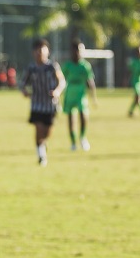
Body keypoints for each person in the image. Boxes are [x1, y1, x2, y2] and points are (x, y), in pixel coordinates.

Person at [20, 38, 67, 166]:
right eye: (37, 49)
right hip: (36, 104)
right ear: (33, 52)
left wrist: (57, 91)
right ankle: (41, 154)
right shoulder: (31, 68)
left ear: (48, 51)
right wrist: (24, 91)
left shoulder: (52, 67)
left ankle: (43, 145)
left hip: (50, 105)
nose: (40, 52)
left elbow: (62, 81)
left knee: (47, 132)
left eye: (42, 49)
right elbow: (22, 83)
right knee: (38, 128)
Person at [60, 40, 99, 152]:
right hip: (70, 93)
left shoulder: (85, 66)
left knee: (83, 116)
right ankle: (73, 142)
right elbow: (61, 80)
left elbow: (90, 81)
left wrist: (94, 97)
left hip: (81, 94)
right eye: (76, 50)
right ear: (72, 51)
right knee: (71, 118)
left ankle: (82, 138)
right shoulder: (67, 65)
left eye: (80, 50)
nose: (78, 52)